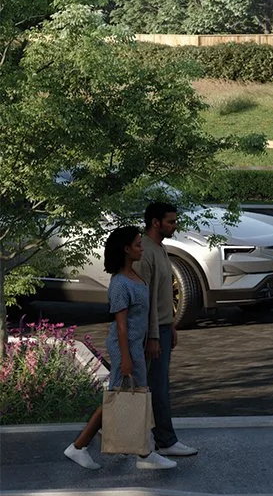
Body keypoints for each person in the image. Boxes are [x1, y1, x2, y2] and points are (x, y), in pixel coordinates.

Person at [64, 226, 179, 472]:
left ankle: (138, 450)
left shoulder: (136, 276)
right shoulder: (119, 284)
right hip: (124, 347)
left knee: (129, 396)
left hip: (136, 345)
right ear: (126, 250)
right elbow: (121, 325)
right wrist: (126, 358)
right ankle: (83, 447)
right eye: (138, 244)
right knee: (119, 396)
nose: (142, 248)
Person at [137, 200, 194, 458]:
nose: (175, 226)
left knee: (157, 385)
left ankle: (160, 439)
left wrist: (170, 325)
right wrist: (153, 336)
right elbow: (145, 300)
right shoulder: (145, 253)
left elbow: (163, 294)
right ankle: (165, 440)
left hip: (161, 327)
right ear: (155, 222)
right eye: (170, 222)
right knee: (156, 386)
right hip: (151, 331)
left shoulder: (160, 248)